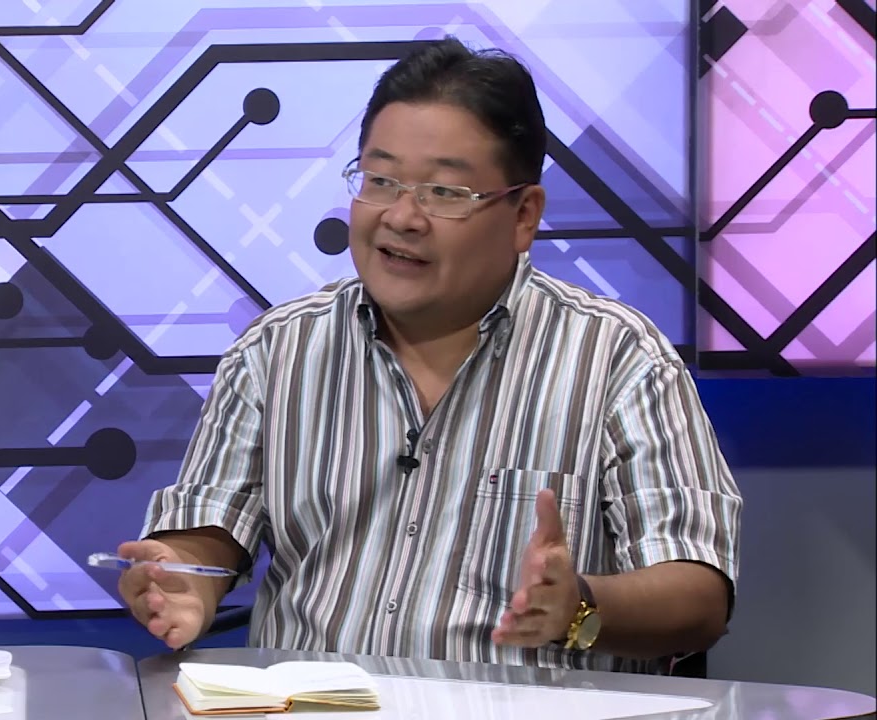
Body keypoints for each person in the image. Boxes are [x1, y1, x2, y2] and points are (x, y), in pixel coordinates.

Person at [116, 36, 742, 673]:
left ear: (524, 214)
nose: (402, 217)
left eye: (445, 192)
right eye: (380, 180)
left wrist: (578, 603)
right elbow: (211, 524)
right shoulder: (276, 350)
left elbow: (698, 597)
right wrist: (183, 580)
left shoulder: (618, 359)